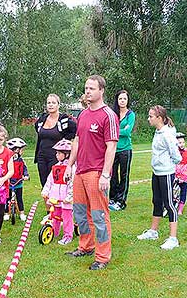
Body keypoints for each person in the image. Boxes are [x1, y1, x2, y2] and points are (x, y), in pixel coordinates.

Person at [64, 75, 119, 270]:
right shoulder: (83, 115)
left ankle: (102, 256)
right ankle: (86, 246)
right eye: (86, 88)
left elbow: (111, 147)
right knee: (80, 213)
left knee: (99, 216)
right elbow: (77, 142)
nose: (87, 91)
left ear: (101, 91)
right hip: (80, 171)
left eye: (92, 88)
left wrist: (105, 174)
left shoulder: (109, 116)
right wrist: (70, 165)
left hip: (96, 173)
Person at [137, 105, 182, 250]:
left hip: (166, 173)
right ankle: (153, 231)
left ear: (160, 118)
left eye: (151, 116)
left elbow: (176, 154)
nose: (148, 118)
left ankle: (173, 238)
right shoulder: (158, 132)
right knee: (156, 201)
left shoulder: (168, 134)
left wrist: (169, 165)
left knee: (169, 204)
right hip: (156, 173)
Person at [34, 94, 77, 188]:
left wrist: (66, 141)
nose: (50, 105)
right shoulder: (42, 119)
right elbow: (37, 129)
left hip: (56, 157)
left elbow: (75, 130)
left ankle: (59, 202)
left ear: (58, 105)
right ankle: (47, 202)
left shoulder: (64, 120)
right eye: (48, 103)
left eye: (53, 103)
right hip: (42, 156)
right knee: (44, 184)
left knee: (56, 184)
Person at [41, 139, 75, 245]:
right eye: (57, 152)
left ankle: (68, 235)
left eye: (59, 153)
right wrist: (46, 191)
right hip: (55, 196)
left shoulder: (72, 168)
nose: (56, 155)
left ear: (67, 154)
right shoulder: (56, 167)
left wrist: (69, 197)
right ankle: (54, 232)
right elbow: (50, 180)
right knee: (55, 215)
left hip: (65, 198)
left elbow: (72, 184)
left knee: (67, 217)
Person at [109, 90, 136, 211]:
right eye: (120, 99)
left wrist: (116, 131)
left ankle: (121, 200)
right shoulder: (113, 114)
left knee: (124, 175)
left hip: (125, 149)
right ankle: (113, 198)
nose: (122, 101)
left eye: (124, 99)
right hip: (113, 149)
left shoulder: (131, 115)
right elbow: (108, 130)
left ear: (128, 100)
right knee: (113, 175)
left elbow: (127, 132)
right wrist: (119, 130)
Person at [4, 137, 29, 222]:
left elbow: (25, 169)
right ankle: (6, 213)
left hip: (18, 182)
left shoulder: (21, 160)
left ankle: (22, 213)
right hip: (9, 183)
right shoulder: (7, 161)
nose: (22, 151)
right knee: (7, 199)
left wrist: (26, 175)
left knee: (19, 198)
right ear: (14, 150)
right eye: (21, 149)